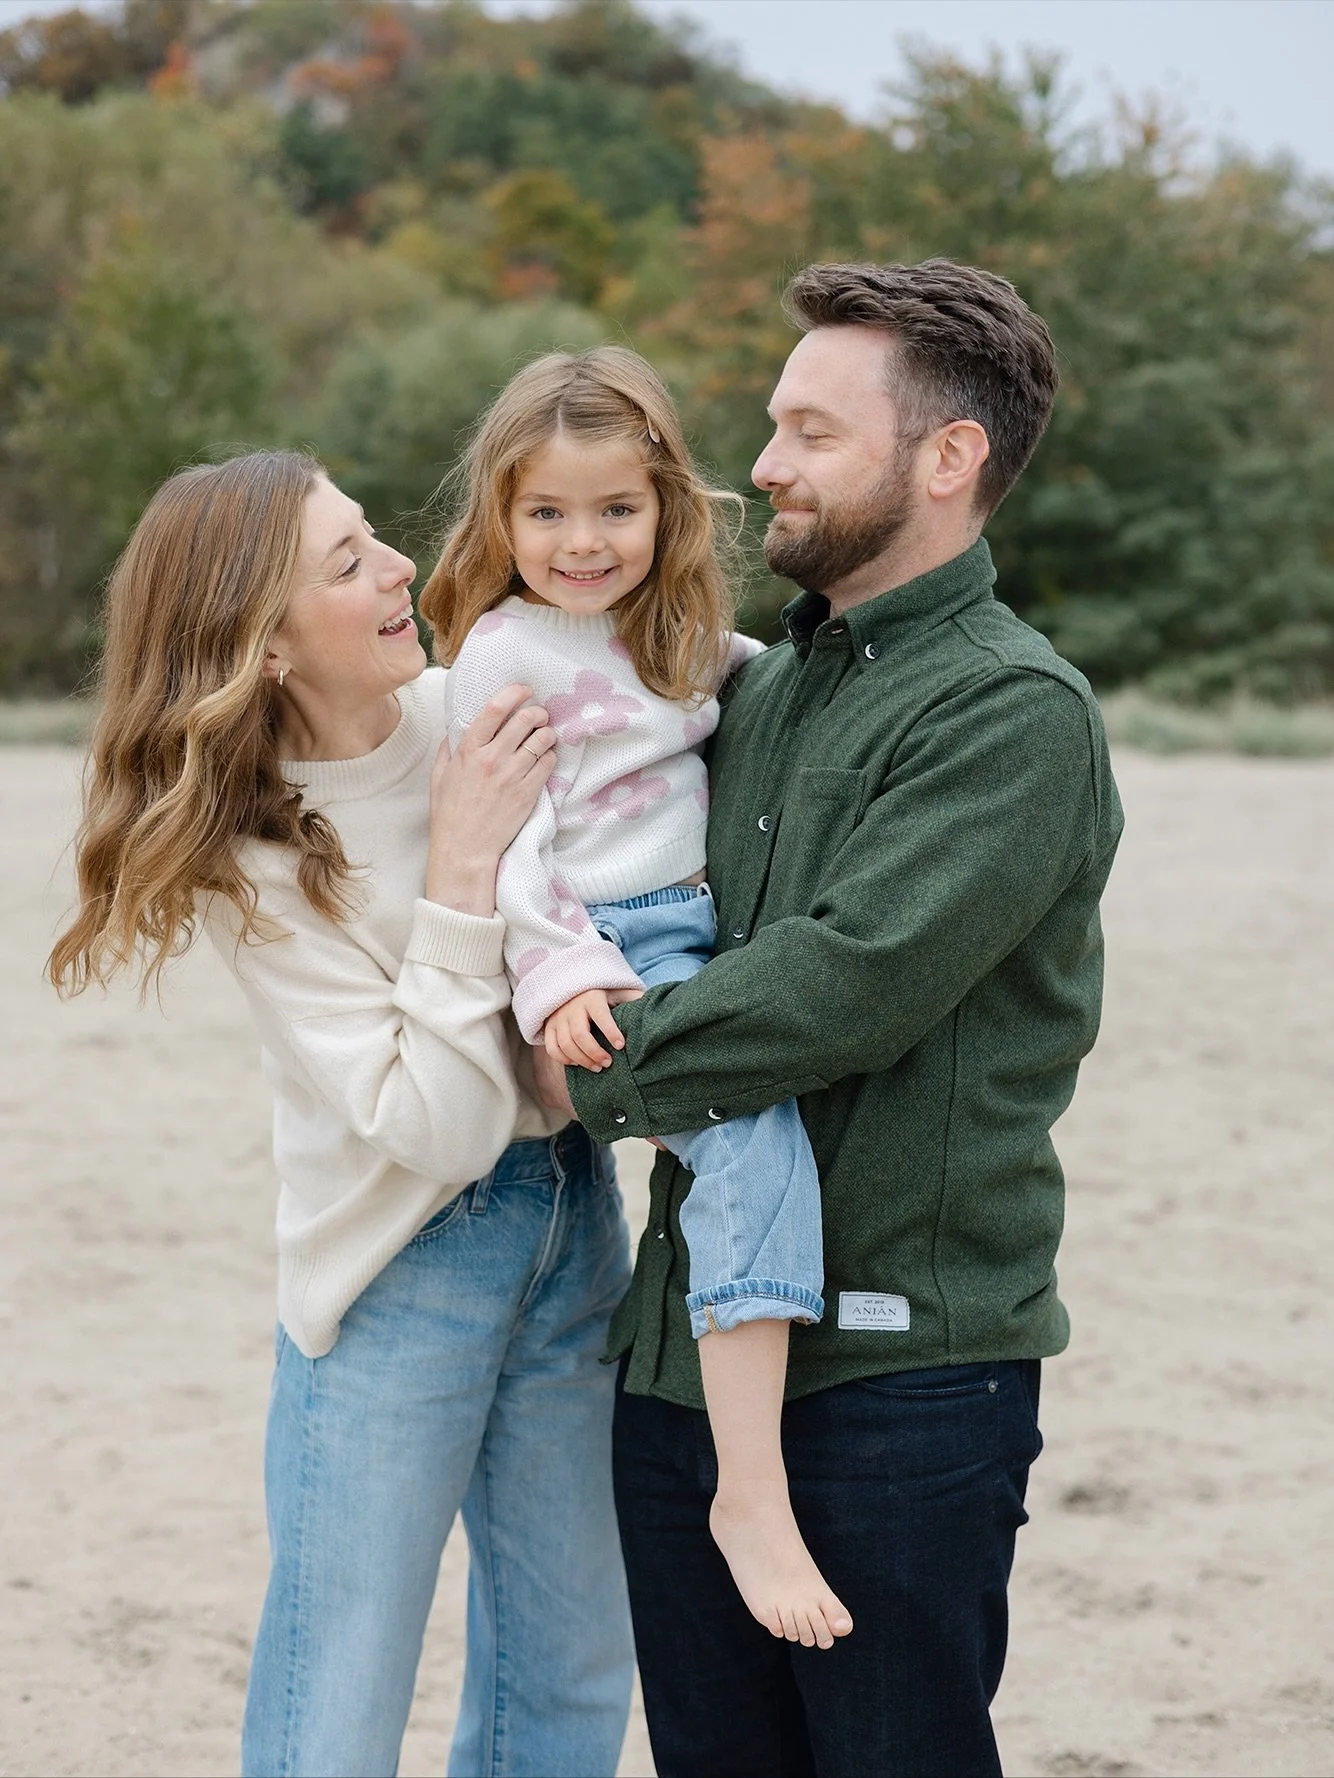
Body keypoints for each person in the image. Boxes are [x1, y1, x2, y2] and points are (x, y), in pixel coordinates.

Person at [535, 261, 1126, 1778]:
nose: (763, 463)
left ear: (947, 459)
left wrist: (575, 1064)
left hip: (896, 1385)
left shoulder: (1010, 711)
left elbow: (838, 985)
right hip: (676, 1366)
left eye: (809, 431)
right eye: (772, 424)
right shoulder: (768, 686)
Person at [48, 451, 635, 1778]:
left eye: (375, 538)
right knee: (340, 1694)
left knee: (572, 1666)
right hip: (389, 1276)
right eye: (347, 560)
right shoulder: (245, 858)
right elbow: (432, 1125)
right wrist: (467, 863)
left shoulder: (481, 704)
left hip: (572, 1220)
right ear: (262, 644)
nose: (400, 571)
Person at [420, 345, 853, 1650]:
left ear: (665, 502)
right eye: (544, 512)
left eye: (614, 508)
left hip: (698, 928)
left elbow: (736, 690)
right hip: (606, 943)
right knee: (752, 1143)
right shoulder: (503, 651)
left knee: (759, 1148)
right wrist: (558, 974)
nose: (581, 541)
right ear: (500, 515)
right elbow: (511, 838)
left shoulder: (664, 634)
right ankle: (750, 1491)